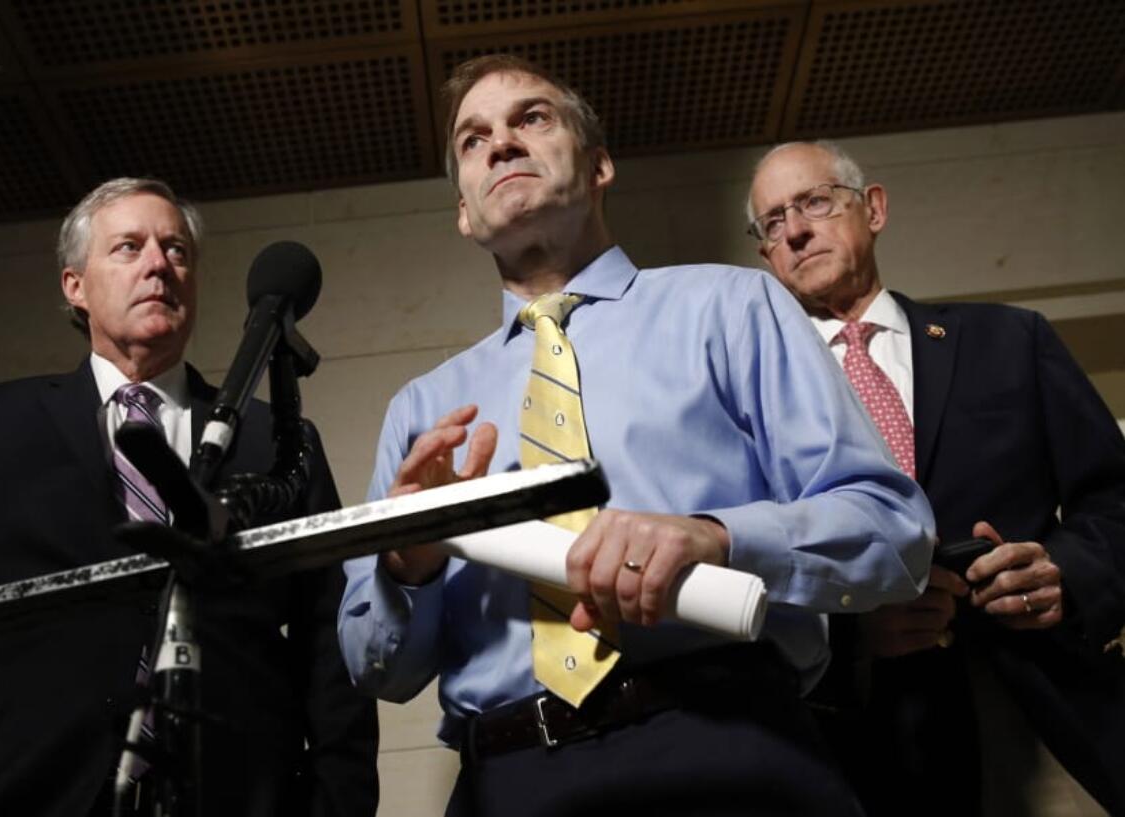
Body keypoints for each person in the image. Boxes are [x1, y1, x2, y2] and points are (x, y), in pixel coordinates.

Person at [339, 55, 935, 817]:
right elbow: (373, 667)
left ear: (599, 164)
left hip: (729, 748)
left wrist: (716, 537)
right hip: (508, 781)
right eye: (472, 139)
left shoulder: (732, 307)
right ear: (464, 211)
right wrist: (411, 557)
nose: (502, 144)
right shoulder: (421, 410)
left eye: (532, 118)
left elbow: (893, 531)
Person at [0, 178, 379, 816]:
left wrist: (336, 803)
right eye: (129, 247)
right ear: (76, 286)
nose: (159, 264)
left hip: (233, 791)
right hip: (9, 788)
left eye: (176, 250)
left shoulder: (280, 440)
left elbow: (331, 639)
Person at [746, 140, 1125, 816]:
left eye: (814, 202)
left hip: (1042, 712)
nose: (796, 229)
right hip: (865, 747)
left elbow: (1116, 499)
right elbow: (748, 572)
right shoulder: (754, 403)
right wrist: (849, 638)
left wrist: (1065, 572)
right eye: (773, 223)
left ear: (875, 209)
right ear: (766, 255)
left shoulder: (1011, 339)